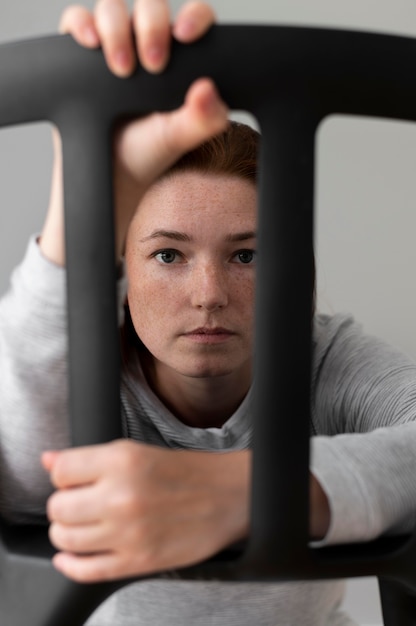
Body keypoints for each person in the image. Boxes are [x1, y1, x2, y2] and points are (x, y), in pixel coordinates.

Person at [1, 1, 416, 624]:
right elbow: (22, 487)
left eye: (247, 255)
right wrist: (83, 205)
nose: (208, 294)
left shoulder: (323, 357)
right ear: (120, 268)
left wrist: (247, 494)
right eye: (168, 254)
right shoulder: (83, 368)